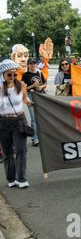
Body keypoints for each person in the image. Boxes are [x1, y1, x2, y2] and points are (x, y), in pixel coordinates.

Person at [0, 59, 33, 188]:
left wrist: (29, 102)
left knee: (21, 150)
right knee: (7, 153)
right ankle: (11, 178)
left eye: (15, 74)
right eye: (9, 74)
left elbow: (24, 98)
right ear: (2, 74)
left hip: (19, 120)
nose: (12, 77)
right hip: (3, 122)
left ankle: (22, 178)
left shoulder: (21, 85)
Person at [21, 58, 47, 146]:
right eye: (31, 64)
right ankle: (35, 138)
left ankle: (42, 137)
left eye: (34, 63)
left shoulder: (39, 73)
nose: (33, 65)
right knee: (33, 118)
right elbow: (23, 89)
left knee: (41, 117)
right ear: (28, 65)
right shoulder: (25, 75)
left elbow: (44, 84)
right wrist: (32, 86)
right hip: (30, 96)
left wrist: (41, 87)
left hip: (40, 96)